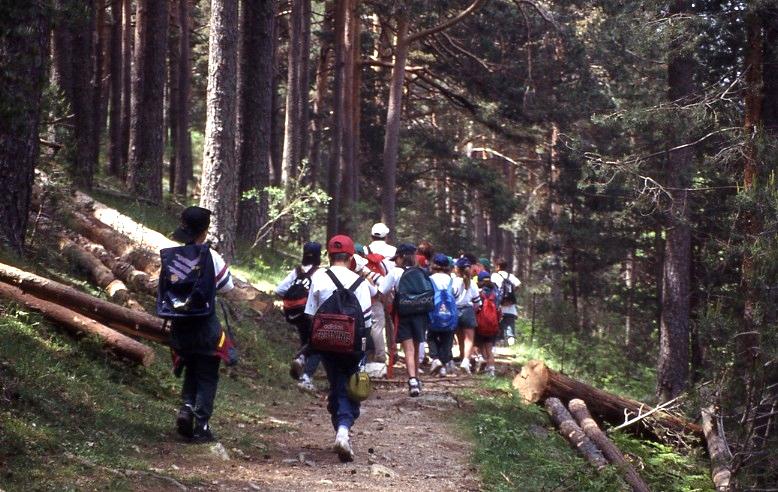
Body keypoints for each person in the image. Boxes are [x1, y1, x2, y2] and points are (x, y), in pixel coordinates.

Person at [165, 206, 234, 443]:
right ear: (204, 231)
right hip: (204, 324)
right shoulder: (210, 256)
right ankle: (201, 425)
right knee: (207, 374)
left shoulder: (172, 254)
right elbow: (227, 286)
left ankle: (186, 408)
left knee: (190, 368)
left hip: (179, 326)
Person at [304, 235, 373, 462]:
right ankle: (343, 431)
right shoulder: (361, 283)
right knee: (348, 388)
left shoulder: (319, 278)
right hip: (351, 346)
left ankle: (340, 429)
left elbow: (310, 315)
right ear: (351, 256)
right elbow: (368, 322)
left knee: (336, 384)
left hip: (325, 343)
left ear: (329, 255)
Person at [379, 243, 432, 396]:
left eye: (396, 258)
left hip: (404, 313)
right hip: (421, 313)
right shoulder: (421, 271)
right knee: (416, 348)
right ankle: (417, 378)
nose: (395, 261)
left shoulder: (395, 272)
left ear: (402, 257)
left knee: (408, 348)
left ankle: (413, 380)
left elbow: (382, 290)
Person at [276, 242, 322, 391]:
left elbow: (280, 289)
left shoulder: (297, 271)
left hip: (295, 312)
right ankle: (305, 375)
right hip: (311, 313)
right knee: (317, 344)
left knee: (305, 340)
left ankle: (301, 361)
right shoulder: (319, 273)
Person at [427, 253, 461, 378]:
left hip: (433, 314)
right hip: (449, 315)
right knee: (447, 339)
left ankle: (435, 359)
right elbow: (456, 295)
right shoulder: (452, 280)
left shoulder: (429, 279)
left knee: (431, 337)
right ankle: (444, 364)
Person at [453, 256, 481, 374]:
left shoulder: (453, 281)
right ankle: (466, 360)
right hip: (468, 311)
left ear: (457, 269)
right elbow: (477, 302)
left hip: (455, 311)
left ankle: (460, 355)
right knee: (469, 338)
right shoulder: (472, 284)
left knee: (458, 336)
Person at [491, 258, 521, 346]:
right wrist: (512, 293)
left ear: (498, 266)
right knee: (510, 327)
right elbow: (519, 284)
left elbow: (492, 288)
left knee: (498, 326)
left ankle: (499, 343)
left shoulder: (494, 276)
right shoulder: (510, 276)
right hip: (510, 306)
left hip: (499, 306)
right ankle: (511, 344)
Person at [476, 271, 499, 377]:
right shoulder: (496, 292)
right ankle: (491, 370)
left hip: (480, 324)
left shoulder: (479, 292)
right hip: (492, 325)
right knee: (489, 348)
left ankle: (483, 363)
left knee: (481, 346)